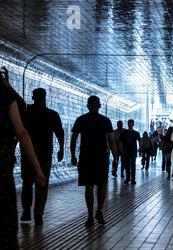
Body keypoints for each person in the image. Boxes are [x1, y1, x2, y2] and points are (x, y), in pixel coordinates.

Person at [0, 67, 46, 250]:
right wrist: (38, 167)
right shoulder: (5, 95)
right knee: (5, 221)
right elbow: (21, 132)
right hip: (1, 169)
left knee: (26, 187)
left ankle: (31, 211)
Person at [70, 96, 117, 227]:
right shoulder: (105, 121)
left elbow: (73, 138)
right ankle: (99, 210)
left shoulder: (81, 120)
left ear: (87, 106)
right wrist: (115, 158)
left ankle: (90, 216)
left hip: (86, 156)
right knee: (102, 184)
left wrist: (73, 155)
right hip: (101, 156)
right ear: (100, 106)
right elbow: (112, 140)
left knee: (89, 186)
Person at [20, 88, 64, 225]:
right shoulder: (52, 114)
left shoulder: (25, 114)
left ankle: (26, 211)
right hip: (45, 155)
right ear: (45, 97)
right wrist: (61, 149)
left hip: (27, 156)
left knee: (27, 184)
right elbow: (60, 133)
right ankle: (38, 215)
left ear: (33, 97)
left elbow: (19, 133)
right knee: (42, 185)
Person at [119, 119, 141, 185]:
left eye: (131, 124)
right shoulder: (124, 132)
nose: (130, 125)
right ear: (128, 124)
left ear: (133, 124)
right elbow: (120, 142)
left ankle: (133, 179)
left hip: (133, 151)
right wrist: (121, 150)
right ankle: (128, 178)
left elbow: (140, 141)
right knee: (127, 165)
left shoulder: (136, 133)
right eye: (129, 124)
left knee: (133, 165)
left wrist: (140, 148)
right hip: (126, 151)